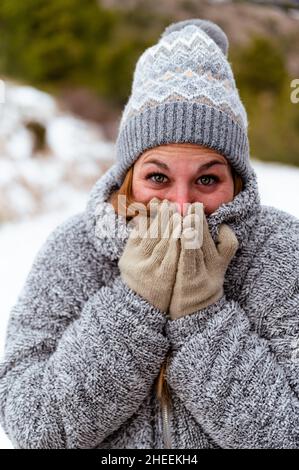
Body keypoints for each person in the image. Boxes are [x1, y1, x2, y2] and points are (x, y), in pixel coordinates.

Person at [0, 18, 298, 449]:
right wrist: (135, 303)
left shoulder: (280, 251)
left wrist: (202, 317)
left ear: (236, 180)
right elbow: (35, 426)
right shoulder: (75, 249)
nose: (181, 205)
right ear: (128, 176)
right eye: (158, 178)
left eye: (207, 179)